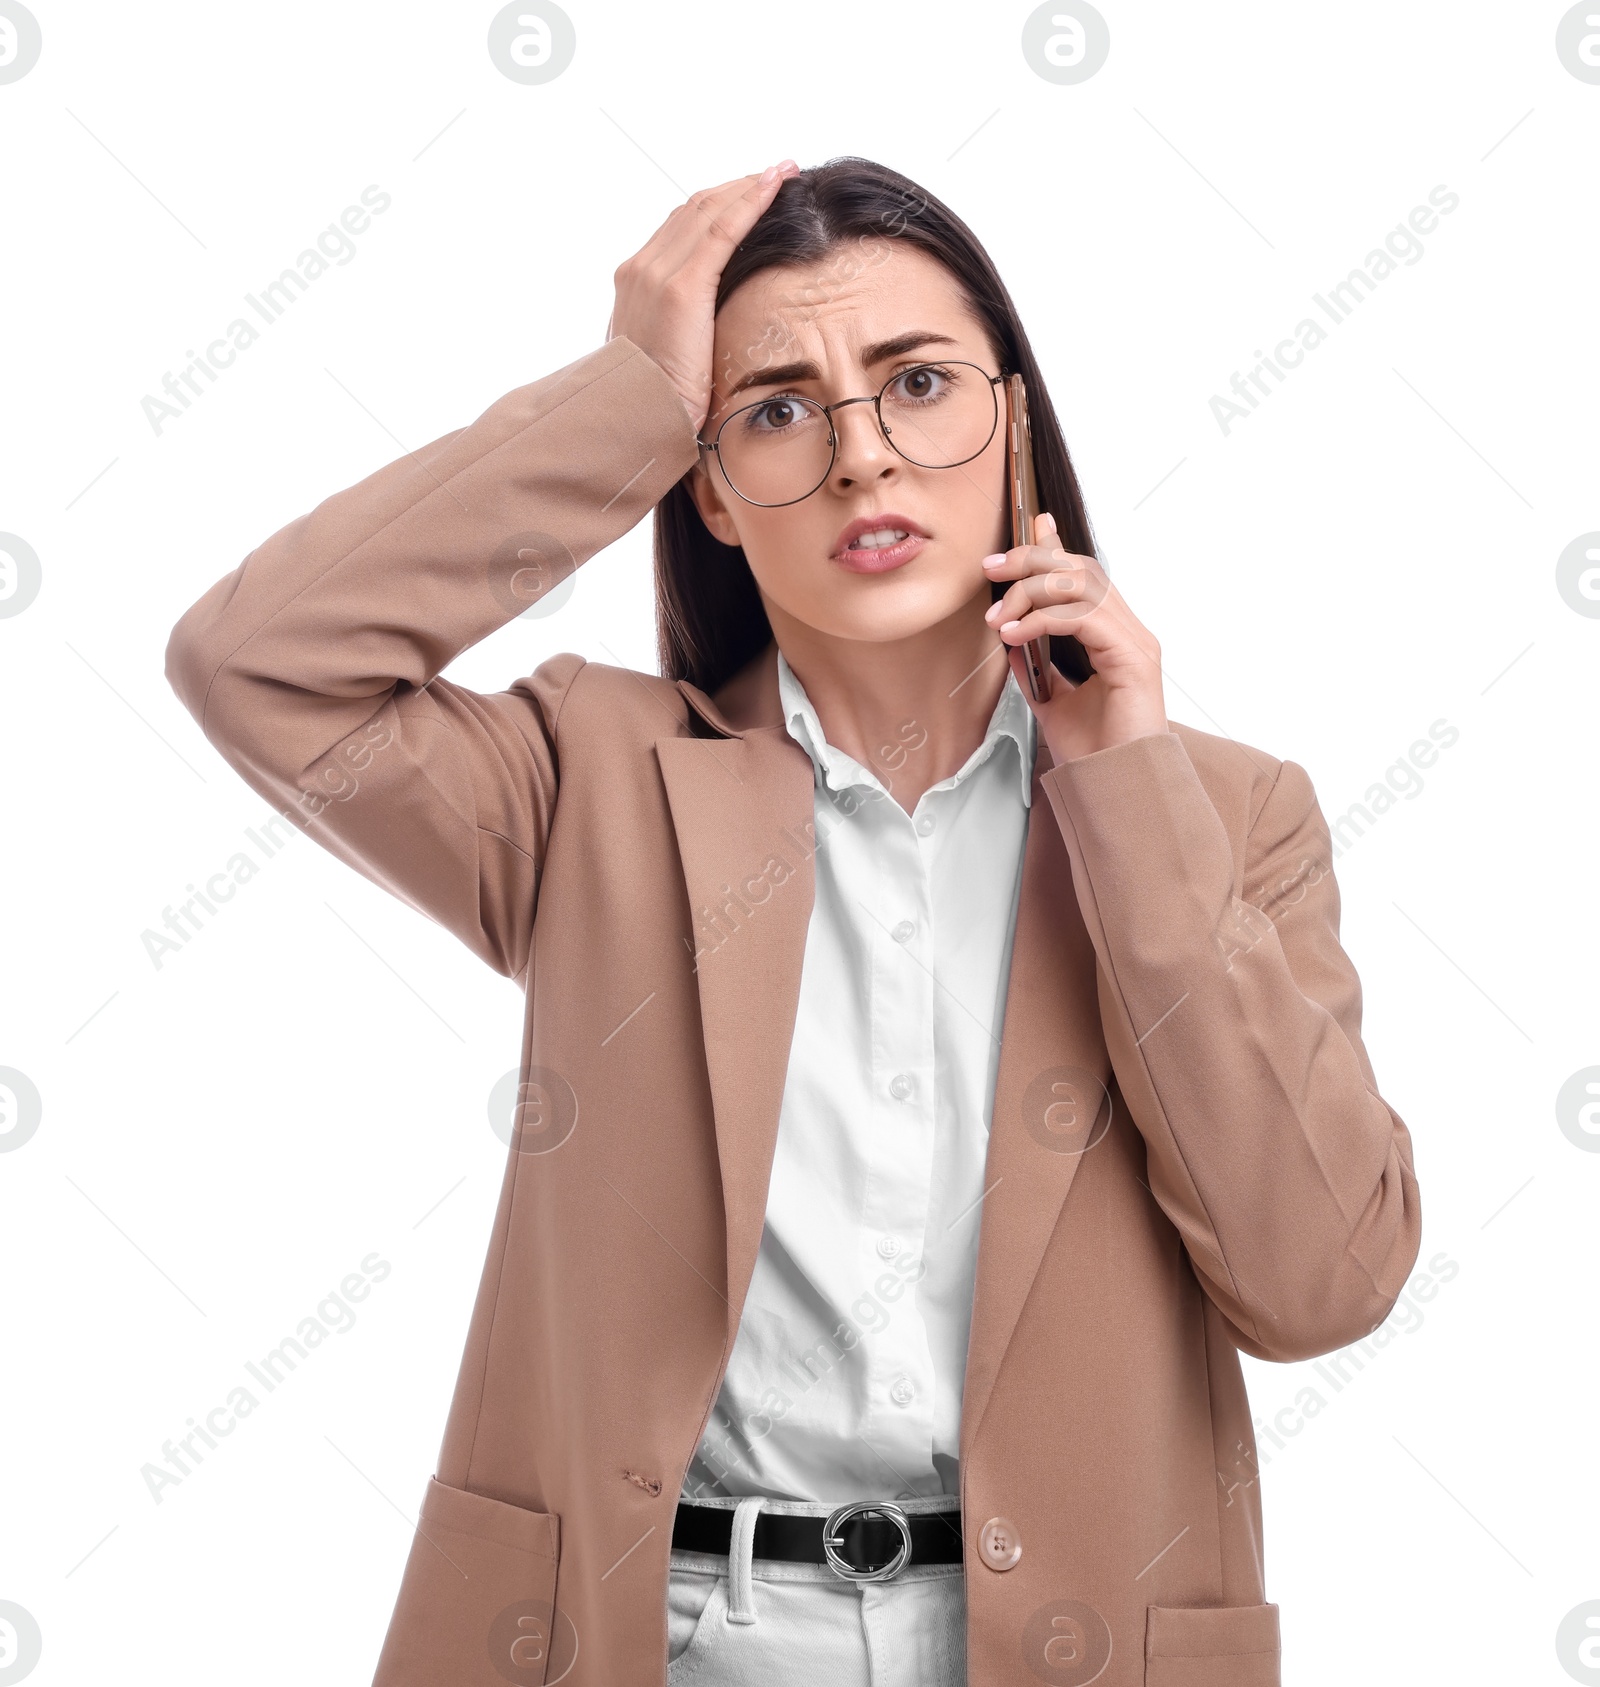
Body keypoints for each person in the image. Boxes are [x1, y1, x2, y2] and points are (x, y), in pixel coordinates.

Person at [164, 156, 1422, 1687]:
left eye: (919, 384)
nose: (864, 459)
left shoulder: (1224, 817)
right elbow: (257, 664)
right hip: (654, 1635)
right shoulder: (588, 787)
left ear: (1012, 423)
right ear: (703, 483)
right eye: (773, 411)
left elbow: (1318, 1287)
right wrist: (624, 400)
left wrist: (1128, 798)